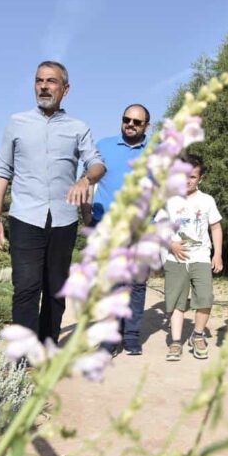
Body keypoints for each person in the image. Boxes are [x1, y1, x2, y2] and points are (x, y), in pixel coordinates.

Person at [0, 61, 105, 345]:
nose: (44, 86)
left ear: (65, 89)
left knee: (55, 288)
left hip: (64, 219)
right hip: (25, 217)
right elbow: (2, 171)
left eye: (51, 81)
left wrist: (84, 181)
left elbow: (97, 164)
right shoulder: (16, 123)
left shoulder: (79, 128)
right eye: (40, 80)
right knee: (26, 287)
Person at [81, 103, 151, 356]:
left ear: (146, 126)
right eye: (126, 119)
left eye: (136, 122)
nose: (130, 124)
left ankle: (131, 336)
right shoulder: (104, 146)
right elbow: (87, 180)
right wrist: (87, 213)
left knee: (136, 284)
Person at [155, 154, 223, 361]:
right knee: (176, 301)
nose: (187, 180)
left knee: (205, 297)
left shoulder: (207, 200)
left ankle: (198, 335)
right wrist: (171, 244)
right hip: (176, 259)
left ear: (200, 178)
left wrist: (218, 254)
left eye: (192, 176)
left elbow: (216, 227)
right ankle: (176, 342)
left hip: (201, 257)